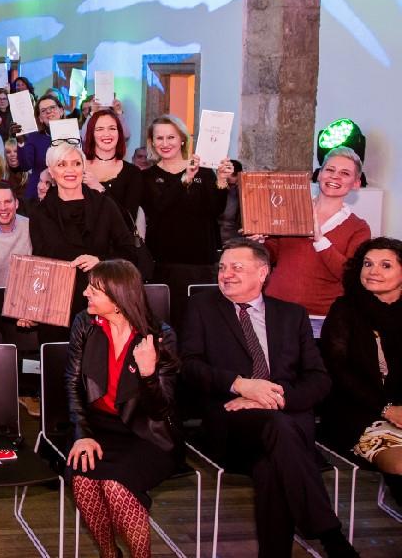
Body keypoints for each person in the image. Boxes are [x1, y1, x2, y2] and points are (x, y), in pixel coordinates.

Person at [179, 239, 357, 558]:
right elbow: (188, 366)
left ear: (263, 272)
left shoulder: (292, 315)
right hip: (233, 424)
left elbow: (319, 379)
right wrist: (241, 385)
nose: (226, 274)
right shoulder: (202, 307)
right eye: (222, 267)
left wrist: (273, 397)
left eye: (237, 267)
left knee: (270, 467)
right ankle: (331, 535)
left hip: (286, 422)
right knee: (278, 432)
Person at [65, 259, 182, 558]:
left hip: (148, 435)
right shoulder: (85, 324)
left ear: (118, 298)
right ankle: (108, 553)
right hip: (99, 429)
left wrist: (148, 374)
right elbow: (72, 383)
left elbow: (161, 410)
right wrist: (82, 433)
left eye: (94, 289)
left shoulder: (160, 336)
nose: (85, 294)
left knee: (117, 486)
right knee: (82, 477)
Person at [28, 141, 147, 343]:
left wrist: (100, 261)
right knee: (60, 369)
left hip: (105, 304)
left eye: (76, 163)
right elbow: (40, 265)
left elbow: (130, 252)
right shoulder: (40, 213)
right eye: (62, 164)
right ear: (51, 171)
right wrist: (29, 306)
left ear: (83, 167)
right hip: (57, 310)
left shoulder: (104, 205)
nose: (70, 170)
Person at [317, 237, 402, 503]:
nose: (374, 271)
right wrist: (387, 408)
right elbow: (338, 370)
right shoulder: (345, 309)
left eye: (386, 265)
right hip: (357, 412)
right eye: (368, 264)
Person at [140, 114, 233, 328]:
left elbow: (215, 210)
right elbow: (160, 206)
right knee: (165, 330)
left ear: (182, 139)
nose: (165, 144)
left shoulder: (205, 172)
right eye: (159, 138)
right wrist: (185, 179)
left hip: (200, 265)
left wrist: (220, 181)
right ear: (152, 142)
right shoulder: (147, 177)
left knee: (200, 328)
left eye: (171, 137)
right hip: (163, 266)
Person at [261, 147, 371, 316]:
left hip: (322, 317)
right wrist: (258, 243)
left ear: (356, 183)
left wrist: (319, 239)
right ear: (319, 174)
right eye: (330, 170)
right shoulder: (288, 211)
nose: (335, 176)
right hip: (275, 308)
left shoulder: (359, 228)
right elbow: (270, 254)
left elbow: (349, 275)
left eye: (345, 173)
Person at [81, 108, 141, 229]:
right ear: (91, 134)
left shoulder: (132, 173)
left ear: (119, 133)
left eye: (112, 128)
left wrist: (100, 189)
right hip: (81, 244)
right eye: (100, 129)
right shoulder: (78, 168)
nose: (107, 134)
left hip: (116, 245)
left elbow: (128, 221)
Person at [15, 93, 65, 206]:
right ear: (40, 118)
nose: (48, 111)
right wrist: (21, 142)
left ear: (61, 111)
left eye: (52, 107)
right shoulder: (34, 137)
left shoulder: (73, 134)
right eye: (43, 110)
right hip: (38, 194)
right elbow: (25, 166)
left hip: (65, 193)